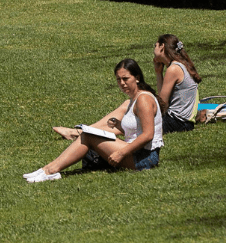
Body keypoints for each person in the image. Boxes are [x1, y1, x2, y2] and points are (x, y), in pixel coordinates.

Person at [24, 59, 163, 183]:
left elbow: (148, 135)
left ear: (137, 78)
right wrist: (119, 126)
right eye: (118, 79)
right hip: (136, 152)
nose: (122, 83)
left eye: (125, 79)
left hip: (144, 158)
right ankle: (46, 169)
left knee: (88, 136)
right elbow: (137, 130)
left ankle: (50, 171)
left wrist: (121, 153)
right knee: (89, 133)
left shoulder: (143, 99)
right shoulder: (134, 99)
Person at [153, 34, 201, 133]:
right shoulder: (178, 65)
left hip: (177, 122)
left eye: (155, 45)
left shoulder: (174, 69)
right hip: (182, 122)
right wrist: (158, 73)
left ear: (162, 47)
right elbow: (163, 99)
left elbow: (162, 104)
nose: (154, 49)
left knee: (139, 125)